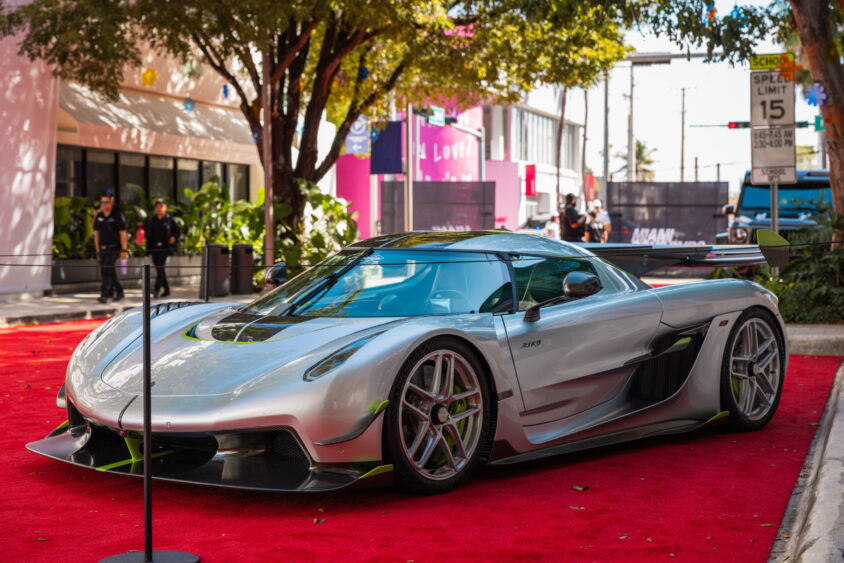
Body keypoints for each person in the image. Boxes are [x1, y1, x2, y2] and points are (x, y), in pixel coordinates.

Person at [93, 192, 128, 303]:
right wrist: (97, 250)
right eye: (102, 202)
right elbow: (96, 234)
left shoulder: (117, 215)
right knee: (108, 270)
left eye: (106, 202)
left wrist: (124, 249)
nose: (103, 204)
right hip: (102, 248)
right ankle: (119, 290)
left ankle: (104, 294)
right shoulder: (99, 216)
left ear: (111, 203)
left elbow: (123, 234)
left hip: (114, 248)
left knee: (107, 270)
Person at [145, 198, 180, 298]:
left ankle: (156, 289)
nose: (159, 209)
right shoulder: (152, 220)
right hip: (154, 248)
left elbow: (177, 231)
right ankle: (167, 290)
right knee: (160, 268)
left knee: (160, 268)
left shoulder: (169, 220)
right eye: (157, 207)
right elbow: (148, 234)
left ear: (166, 208)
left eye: (161, 207)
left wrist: (174, 237)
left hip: (165, 248)